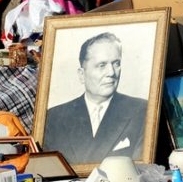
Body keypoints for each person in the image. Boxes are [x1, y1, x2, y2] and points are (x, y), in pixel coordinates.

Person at [43, 32, 148, 163]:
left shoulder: (142, 110)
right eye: (102, 65)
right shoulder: (54, 118)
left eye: (116, 63)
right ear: (82, 74)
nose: (111, 72)